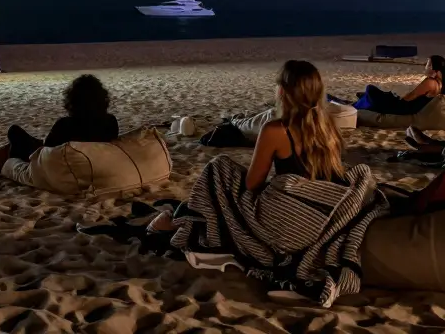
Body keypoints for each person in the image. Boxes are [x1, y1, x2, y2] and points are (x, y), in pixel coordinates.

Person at [148, 60, 345, 233]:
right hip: (320, 210)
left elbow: (252, 184)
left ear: (283, 91)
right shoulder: (328, 127)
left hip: (290, 213)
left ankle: (185, 217)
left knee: (219, 168)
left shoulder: (276, 130)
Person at [0, 74, 119, 171]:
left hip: (59, 162)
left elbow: (47, 150)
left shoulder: (66, 124)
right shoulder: (111, 121)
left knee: (15, 133)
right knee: (21, 142)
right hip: (85, 159)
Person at [345, 55, 445, 115]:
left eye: (428, 64)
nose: (425, 66)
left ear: (434, 68)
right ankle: (361, 100)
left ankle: (355, 105)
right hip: (411, 108)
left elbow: (411, 96)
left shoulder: (430, 82)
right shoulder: (441, 84)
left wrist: (398, 100)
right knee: (378, 95)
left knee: (370, 89)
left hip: (404, 108)